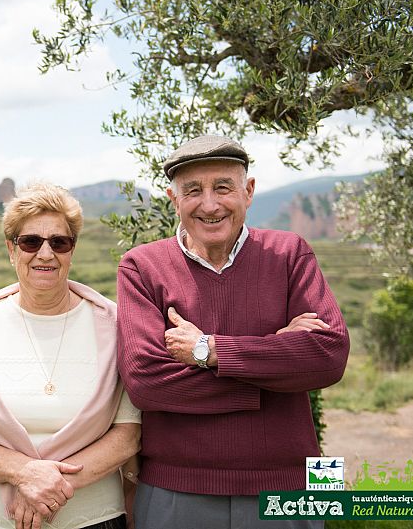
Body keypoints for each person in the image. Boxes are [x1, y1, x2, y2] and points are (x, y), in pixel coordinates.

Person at [116, 135, 350, 529]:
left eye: (223, 187)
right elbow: (146, 382)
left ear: (249, 191)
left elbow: (328, 356)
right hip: (177, 491)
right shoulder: (141, 267)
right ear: (174, 200)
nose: (209, 204)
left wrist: (210, 351)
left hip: (292, 487)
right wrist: (275, 359)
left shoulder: (291, 253)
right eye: (193, 191)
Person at [0, 182, 141, 529]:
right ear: (11, 250)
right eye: (30, 242)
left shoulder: (114, 326)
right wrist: (23, 473)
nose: (45, 253)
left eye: (59, 242)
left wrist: (50, 487)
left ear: (72, 251)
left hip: (93, 520)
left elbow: (127, 435)